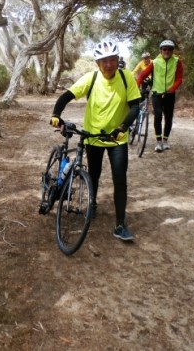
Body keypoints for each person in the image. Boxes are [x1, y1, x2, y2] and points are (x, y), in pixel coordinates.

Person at [50, 40, 141, 241]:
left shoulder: (126, 78)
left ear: (118, 60)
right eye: (103, 61)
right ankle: (92, 204)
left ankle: (119, 224)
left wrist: (123, 127)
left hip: (117, 138)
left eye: (112, 60)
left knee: (120, 180)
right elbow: (66, 96)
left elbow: (135, 106)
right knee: (94, 175)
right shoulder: (91, 79)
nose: (108, 64)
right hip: (93, 138)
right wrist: (56, 114)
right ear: (97, 63)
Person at [136, 39, 184, 152]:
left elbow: (179, 78)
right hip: (157, 94)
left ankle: (165, 140)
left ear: (172, 51)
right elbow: (143, 75)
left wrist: (172, 89)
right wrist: (136, 86)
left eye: (169, 49)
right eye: (164, 49)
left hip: (170, 94)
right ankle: (158, 141)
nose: (167, 51)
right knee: (158, 116)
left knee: (168, 117)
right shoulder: (156, 62)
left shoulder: (177, 61)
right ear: (161, 50)